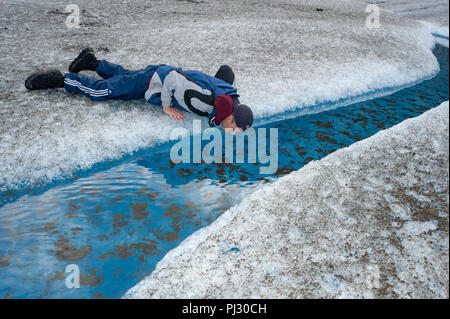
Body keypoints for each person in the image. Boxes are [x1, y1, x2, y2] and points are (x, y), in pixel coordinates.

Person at [25, 48, 253, 133]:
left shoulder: (231, 94)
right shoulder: (204, 102)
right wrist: (166, 105)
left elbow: (225, 71)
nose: (234, 132)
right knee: (103, 92)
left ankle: (92, 62)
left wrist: (219, 118)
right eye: (234, 126)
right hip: (155, 82)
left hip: (158, 74)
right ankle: (60, 80)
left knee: (124, 78)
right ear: (230, 114)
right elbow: (174, 80)